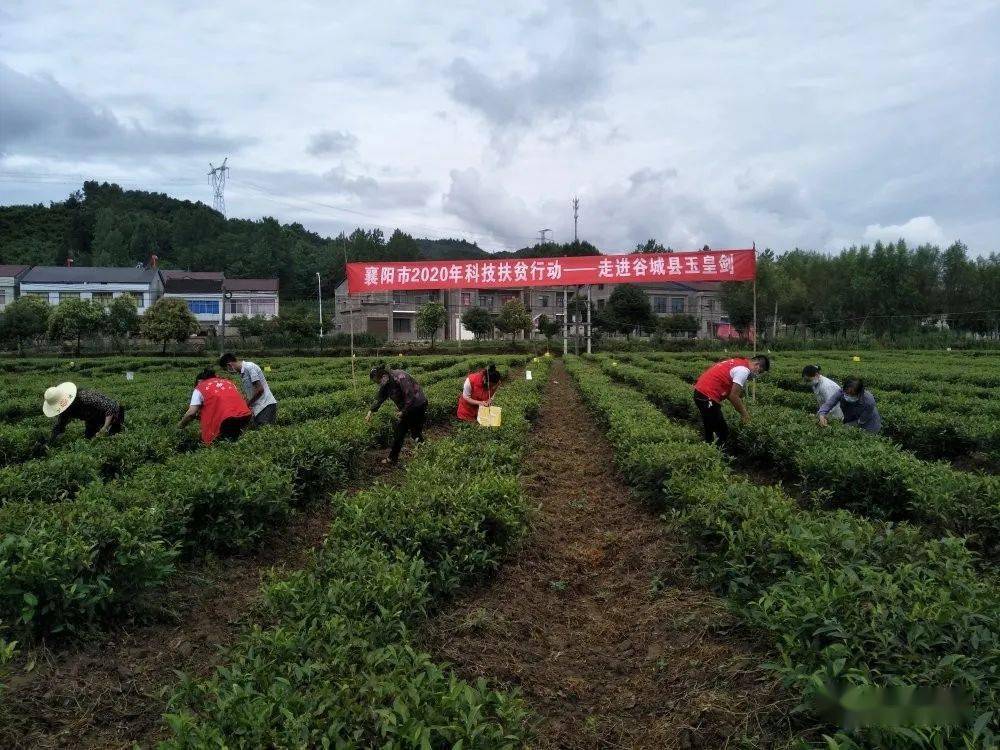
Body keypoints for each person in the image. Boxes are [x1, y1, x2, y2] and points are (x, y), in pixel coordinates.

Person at [692, 354, 770, 445]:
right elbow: (734, 396)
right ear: (757, 365)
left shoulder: (738, 362)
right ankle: (716, 453)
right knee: (722, 432)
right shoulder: (743, 370)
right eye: (759, 372)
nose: (757, 375)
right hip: (707, 396)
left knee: (710, 425)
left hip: (701, 392)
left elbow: (730, 394)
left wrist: (739, 405)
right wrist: (744, 415)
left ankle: (708, 445)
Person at [365, 364, 428, 464]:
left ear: (383, 375)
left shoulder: (400, 376)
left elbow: (410, 396)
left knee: (415, 432)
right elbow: (380, 398)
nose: (378, 383)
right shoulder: (386, 384)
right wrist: (370, 412)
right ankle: (392, 458)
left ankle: (426, 455)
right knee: (399, 433)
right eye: (376, 381)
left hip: (417, 406)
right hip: (406, 409)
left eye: (377, 380)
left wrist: (403, 411)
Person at [178, 368, 253, 444]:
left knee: (218, 443)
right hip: (245, 416)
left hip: (226, 420)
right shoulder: (229, 382)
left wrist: (180, 426)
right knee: (239, 441)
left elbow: (191, 413)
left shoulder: (200, 387)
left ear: (199, 381)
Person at [43, 382, 125, 442]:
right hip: (93, 418)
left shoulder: (85, 396)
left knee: (112, 440)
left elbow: (110, 408)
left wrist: (104, 428)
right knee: (89, 439)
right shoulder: (66, 409)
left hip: (113, 414)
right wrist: (52, 439)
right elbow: (61, 424)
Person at [219, 352, 278, 426]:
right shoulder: (242, 373)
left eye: (226, 369)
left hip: (265, 406)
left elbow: (260, 390)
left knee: (265, 430)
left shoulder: (249, 367)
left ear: (229, 365)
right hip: (258, 407)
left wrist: (248, 404)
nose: (228, 371)